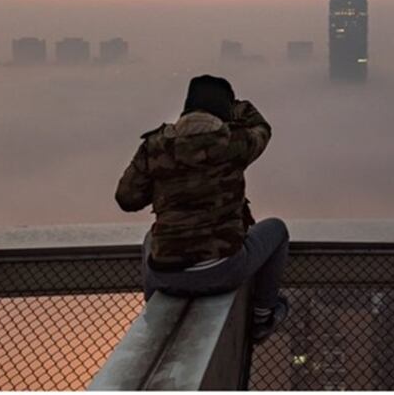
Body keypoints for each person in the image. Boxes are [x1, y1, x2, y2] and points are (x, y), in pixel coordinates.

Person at [115, 74, 289, 343]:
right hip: (221, 269)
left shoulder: (155, 147)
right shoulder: (234, 143)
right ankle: (262, 316)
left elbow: (127, 199)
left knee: (152, 237)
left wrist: (167, 183)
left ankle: (153, 306)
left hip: (165, 275)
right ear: (224, 111)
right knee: (277, 230)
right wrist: (240, 108)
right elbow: (262, 129)